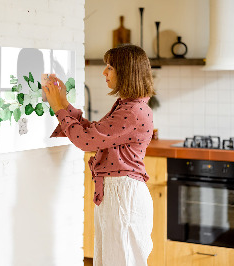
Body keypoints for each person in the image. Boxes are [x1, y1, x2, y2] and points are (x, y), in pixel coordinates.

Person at [43, 44, 155, 266]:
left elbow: (86, 141)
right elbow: (93, 133)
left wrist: (58, 108)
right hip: (118, 193)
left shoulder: (132, 111)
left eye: (110, 67)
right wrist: (64, 103)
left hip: (123, 195)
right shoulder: (128, 106)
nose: (104, 72)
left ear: (126, 72)